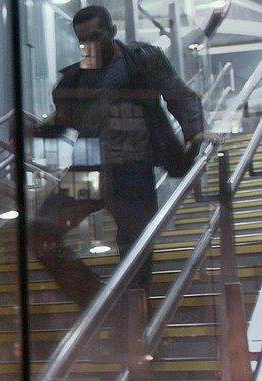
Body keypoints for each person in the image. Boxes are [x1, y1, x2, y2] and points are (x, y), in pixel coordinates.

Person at [30, 5, 217, 307]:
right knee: (41, 232)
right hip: (89, 171)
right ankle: (99, 301)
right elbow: (66, 120)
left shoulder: (140, 59)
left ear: (112, 31)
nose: (90, 44)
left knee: (135, 256)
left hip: (132, 170)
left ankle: (132, 321)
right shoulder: (79, 78)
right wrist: (34, 131)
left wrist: (196, 129)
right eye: (83, 39)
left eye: (96, 36)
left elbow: (179, 94)